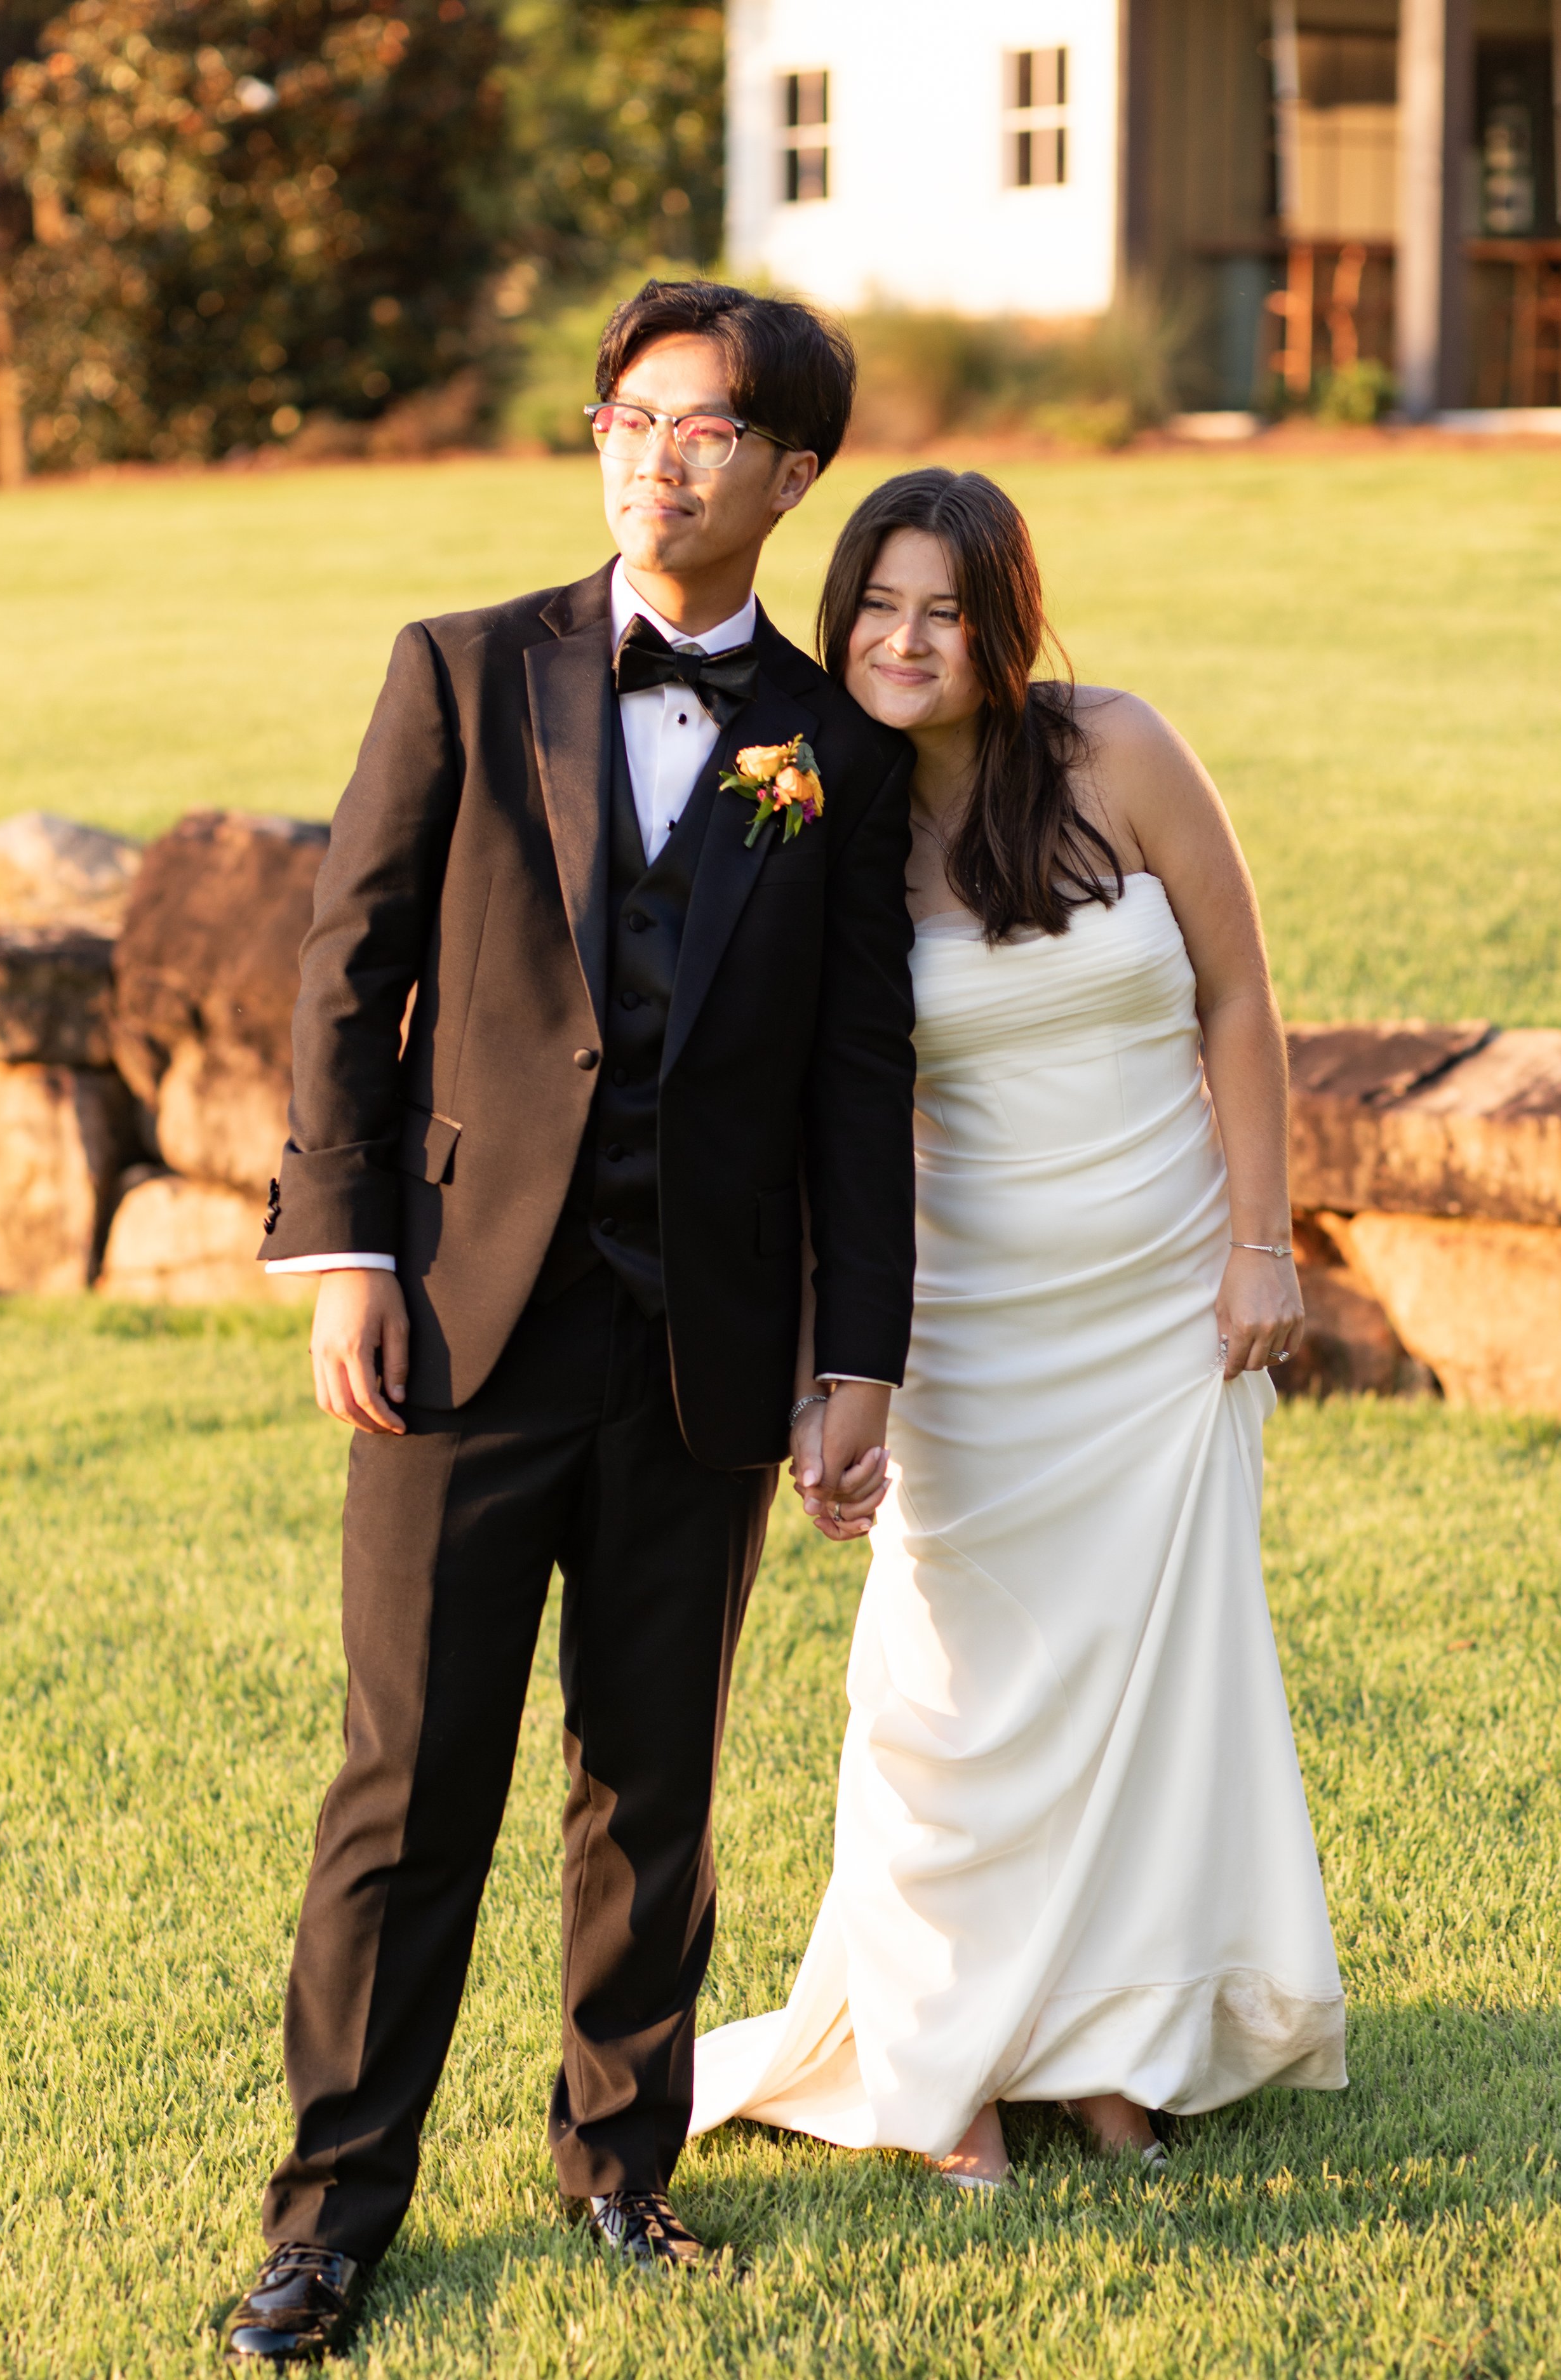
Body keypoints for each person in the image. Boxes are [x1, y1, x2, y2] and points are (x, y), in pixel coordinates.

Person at [222, 281, 918, 2363]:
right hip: (459, 1323)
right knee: (407, 1782)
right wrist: (344, 1252)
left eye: (701, 429)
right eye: (628, 417)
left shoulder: (834, 744)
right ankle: (330, 2219)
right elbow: (346, 971)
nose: (652, 458)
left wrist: (856, 1354)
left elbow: (856, 1068)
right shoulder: (461, 668)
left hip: (703, 1340)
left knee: (653, 1782)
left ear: (789, 473)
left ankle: (620, 2165)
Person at [690, 467, 1346, 2189]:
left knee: (1146, 1692)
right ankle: (941, 2059)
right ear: (839, 620)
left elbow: (1237, 996)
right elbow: (807, 1119)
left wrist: (1260, 1245)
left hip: (1165, 1307)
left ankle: (1107, 2047)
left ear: (1002, 624)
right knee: (950, 1698)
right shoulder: (813, 810)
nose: (907, 641)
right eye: (878, 607)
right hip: (967, 1328)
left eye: (946, 610)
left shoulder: (1119, 750)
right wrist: (831, 1369)